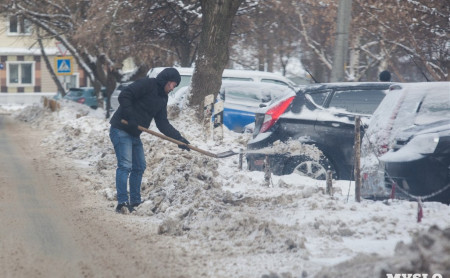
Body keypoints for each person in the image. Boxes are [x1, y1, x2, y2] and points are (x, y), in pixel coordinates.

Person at [109, 68, 190, 213]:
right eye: (172, 84)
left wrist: (178, 138)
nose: (172, 88)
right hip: (121, 128)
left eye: (175, 86)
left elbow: (162, 123)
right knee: (125, 166)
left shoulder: (162, 98)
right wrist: (131, 116)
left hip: (134, 133)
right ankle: (122, 203)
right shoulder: (147, 84)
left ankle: (135, 202)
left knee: (139, 166)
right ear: (165, 79)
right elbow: (124, 95)